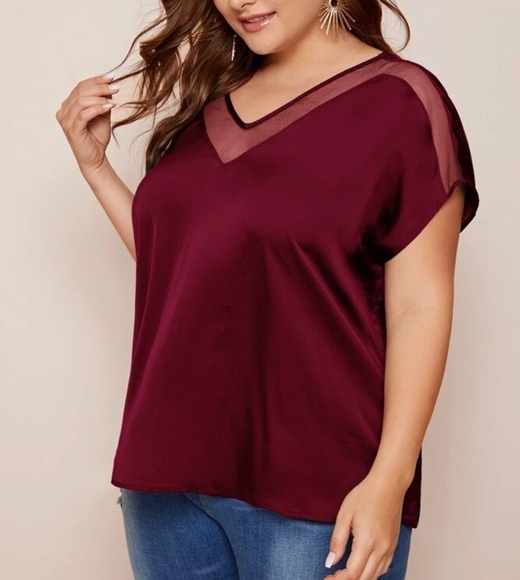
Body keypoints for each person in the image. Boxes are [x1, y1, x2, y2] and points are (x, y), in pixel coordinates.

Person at [55, 0, 480, 578]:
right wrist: (96, 168)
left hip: (320, 492)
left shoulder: (401, 102)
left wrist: (390, 478)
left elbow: (419, 306)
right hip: (166, 479)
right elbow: (180, 267)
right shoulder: (211, 100)